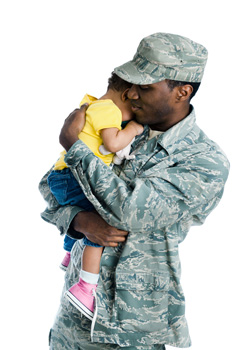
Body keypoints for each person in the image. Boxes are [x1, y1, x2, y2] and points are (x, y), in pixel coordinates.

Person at [39, 33, 230, 349]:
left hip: (131, 330)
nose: (131, 94)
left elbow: (131, 212)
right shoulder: (120, 126)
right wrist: (79, 221)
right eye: (131, 84)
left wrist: (77, 148)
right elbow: (51, 186)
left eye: (145, 87)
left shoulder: (203, 160)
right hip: (73, 322)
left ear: (183, 91)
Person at [47, 73, 144, 320]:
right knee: (101, 224)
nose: (131, 118)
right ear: (126, 96)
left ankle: (69, 254)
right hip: (73, 176)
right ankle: (85, 288)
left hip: (64, 176)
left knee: (81, 211)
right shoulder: (109, 110)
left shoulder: (94, 106)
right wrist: (132, 128)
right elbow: (112, 144)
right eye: (134, 110)